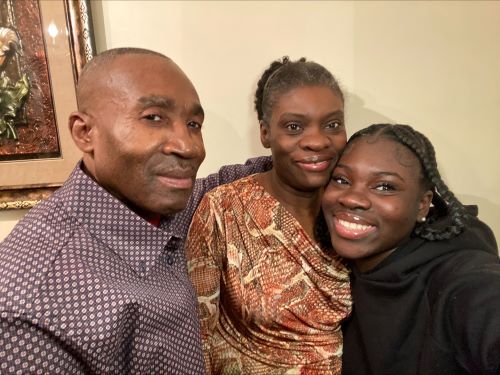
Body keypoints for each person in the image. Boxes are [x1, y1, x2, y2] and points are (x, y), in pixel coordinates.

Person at [0, 48, 271, 374]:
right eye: (153, 118)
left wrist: (302, 155)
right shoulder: (32, 301)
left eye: (193, 124)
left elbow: (223, 182)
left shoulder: (165, 205)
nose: (188, 147)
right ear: (85, 133)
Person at [186, 57, 352, 374]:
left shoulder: (357, 209)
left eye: (332, 125)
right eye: (294, 126)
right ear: (265, 133)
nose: (317, 140)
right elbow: (198, 340)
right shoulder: (223, 210)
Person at [321, 123, 500, 375]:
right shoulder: (329, 265)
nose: (351, 198)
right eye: (341, 179)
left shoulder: (459, 278)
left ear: (423, 205)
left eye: (385, 186)